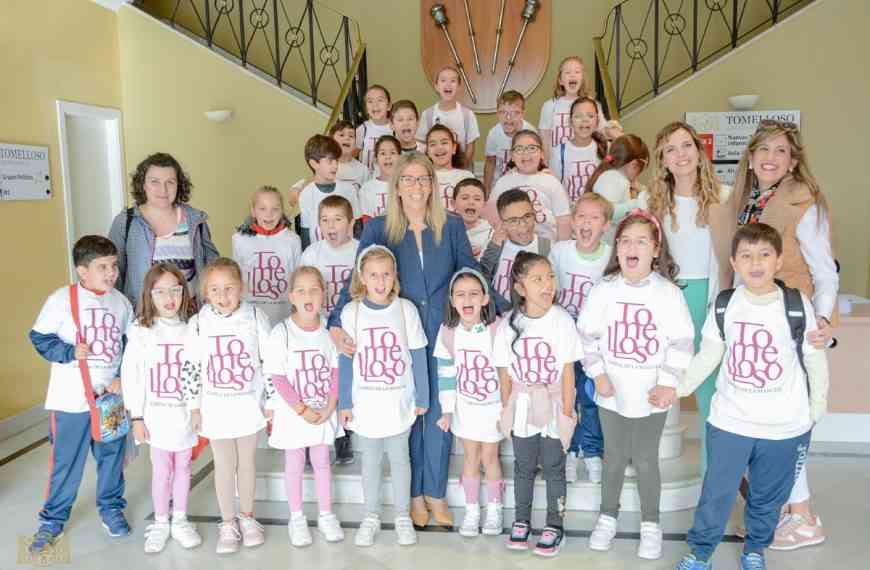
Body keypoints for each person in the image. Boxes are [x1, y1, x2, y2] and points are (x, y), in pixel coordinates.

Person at [328, 152, 480, 529]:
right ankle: (413, 495)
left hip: (443, 332)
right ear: (396, 187)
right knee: (410, 417)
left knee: (441, 415)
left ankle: (436, 493)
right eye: (408, 179)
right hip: (401, 339)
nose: (416, 186)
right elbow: (359, 279)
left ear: (433, 184)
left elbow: (469, 273)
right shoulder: (380, 229)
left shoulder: (453, 226)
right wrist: (334, 321)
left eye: (423, 178)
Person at [674, 223, 829, 570]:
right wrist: (678, 388)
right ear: (734, 262)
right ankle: (700, 553)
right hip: (730, 420)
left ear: (778, 261)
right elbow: (709, 355)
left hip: (784, 424)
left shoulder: (796, 304)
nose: (755, 262)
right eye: (746, 255)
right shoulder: (725, 304)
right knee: (716, 493)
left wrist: (816, 406)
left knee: (767, 497)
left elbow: (815, 357)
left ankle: (755, 548)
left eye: (764, 254)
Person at [733, 119, 837, 550]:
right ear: (751, 155)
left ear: (793, 160)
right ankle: (777, 509)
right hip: (753, 324)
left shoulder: (802, 202)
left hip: (789, 324)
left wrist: (825, 321)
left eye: (780, 151)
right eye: (763, 150)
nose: (770, 158)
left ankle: (804, 515)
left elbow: (824, 270)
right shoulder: (749, 199)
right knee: (761, 423)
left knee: (785, 425)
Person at [579, 211, 694, 561]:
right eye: (625, 240)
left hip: (650, 393)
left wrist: (667, 383)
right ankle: (607, 517)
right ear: (617, 249)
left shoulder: (668, 294)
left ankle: (650, 524)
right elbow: (587, 336)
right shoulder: (604, 290)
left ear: (656, 250)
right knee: (613, 458)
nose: (632, 247)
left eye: (641, 241)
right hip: (612, 390)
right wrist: (598, 374)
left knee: (645, 459)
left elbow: (682, 342)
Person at [640, 122, 738, 470]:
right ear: (662, 159)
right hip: (666, 300)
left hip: (708, 299)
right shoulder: (650, 200)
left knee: (709, 389)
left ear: (699, 151)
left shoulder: (724, 197)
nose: (680, 154)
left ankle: (716, 478)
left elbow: (731, 256)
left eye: (686, 146)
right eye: (671, 149)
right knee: (651, 381)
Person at [28, 235, 134, 553]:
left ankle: (111, 508)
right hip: (70, 400)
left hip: (109, 400)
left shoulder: (121, 302)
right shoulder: (63, 299)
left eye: (113, 266)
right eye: (102, 267)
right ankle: (52, 519)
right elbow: (39, 336)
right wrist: (70, 351)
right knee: (66, 462)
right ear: (82, 271)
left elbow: (130, 344)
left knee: (112, 458)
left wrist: (120, 376)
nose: (111, 273)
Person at [337, 245, 429, 547]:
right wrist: (345, 402)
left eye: (386, 274)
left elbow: (417, 355)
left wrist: (422, 396)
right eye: (373, 275)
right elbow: (346, 360)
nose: (380, 281)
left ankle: (402, 516)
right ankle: (371, 516)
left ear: (395, 277)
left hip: (399, 400)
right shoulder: (351, 312)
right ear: (362, 277)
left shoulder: (406, 310)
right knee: (371, 461)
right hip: (366, 403)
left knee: (401, 459)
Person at [180, 258, 271, 554]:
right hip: (215, 408)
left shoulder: (255, 316)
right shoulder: (197, 324)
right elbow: (191, 368)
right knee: (223, 464)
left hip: (247, 405)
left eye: (229, 288)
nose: (223, 296)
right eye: (215, 289)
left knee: (246, 463)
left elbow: (271, 362)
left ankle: (247, 517)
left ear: (241, 288)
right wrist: (194, 406)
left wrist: (271, 401)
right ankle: (228, 522)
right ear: (206, 291)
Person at [496, 252, 580, 557]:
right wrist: (507, 408)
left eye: (550, 277)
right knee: (524, 466)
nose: (547, 284)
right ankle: (521, 521)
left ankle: (555, 525)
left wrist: (567, 413)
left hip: (554, 403)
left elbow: (568, 372)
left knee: (555, 466)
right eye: (537, 279)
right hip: (522, 406)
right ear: (520, 287)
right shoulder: (509, 325)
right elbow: (504, 374)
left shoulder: (562, 321)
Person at [121, 263, 201, 553]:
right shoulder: (142, 332)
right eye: (160, 292)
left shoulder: (192, 329)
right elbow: (133, 377)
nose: (169, 298)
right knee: (161, 469)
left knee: (184, 466)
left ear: (184, 292)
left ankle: (180, 519)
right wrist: (137, 416)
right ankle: (161, 521)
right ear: (149, 296)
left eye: (175, 290)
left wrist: (197, 409)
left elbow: (198, 370)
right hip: (155, 413)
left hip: (184, 412)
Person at [263, 266, 344, 547]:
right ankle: (296, 518)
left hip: (323, 411)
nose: (308, 295)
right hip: (294, 412)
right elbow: (277, 376)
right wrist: (300, 409)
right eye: (301, 290)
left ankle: (326, 514)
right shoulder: (282, 332)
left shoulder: (329, 331)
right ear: (291, 296)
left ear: (323, 294)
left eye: (314, 289)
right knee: (294, 463)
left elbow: (336, 370)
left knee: (322, 461)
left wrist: (331, 404)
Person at [548, 193, 614, 483]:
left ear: (606, 225)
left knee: (591, 397)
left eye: (595, 217)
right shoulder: (560, 252)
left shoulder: (611, 256)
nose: (587, 223)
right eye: (581, 217)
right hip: (564, 335)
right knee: (567, 395)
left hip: (596, 340)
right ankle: (571, 450)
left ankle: (593, 451)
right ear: (573, 222)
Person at [434, 269, 504, 537]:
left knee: (490, 456)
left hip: (493, 409)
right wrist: (447, 411)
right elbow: (446, 375)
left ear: (485, 299)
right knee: (470, 456)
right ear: (452, 300)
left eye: (474, 294)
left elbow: (505, 372)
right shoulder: (449, 333)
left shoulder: (496, 329)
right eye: (460, 294)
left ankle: (495, 509)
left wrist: (506, 408)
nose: (467, 300)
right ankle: (472, 508)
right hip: (466, 409)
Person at [108, 152, 219, 309]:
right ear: (143, 184)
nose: (163, 189)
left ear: (179, 185)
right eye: (155, 182)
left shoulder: (195, 220)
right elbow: (113, 275)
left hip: (189, 318)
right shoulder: (126, 221)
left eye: (170, 182)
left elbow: (213, 269)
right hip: (143, 319)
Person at [300, 195, 359, 465]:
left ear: (351, 223)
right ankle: (316, 439)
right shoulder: (312, 253)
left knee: (345, 381)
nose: (331, 225)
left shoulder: (360, 250)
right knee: (322, 381)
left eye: (337, 219)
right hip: (320, 326)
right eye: (325, 220)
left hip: (350, 327)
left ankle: (343, 436)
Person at [232, 185, 302, 327]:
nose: (269, 214)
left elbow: (297, 279)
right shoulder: (239, 239)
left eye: (275, 209)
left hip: (283, 316)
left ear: (282, 211)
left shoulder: (293, 240)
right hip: (251, 318)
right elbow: (236, 278)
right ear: (253, 211)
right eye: (262, 209)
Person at [486, 130, 572, 243]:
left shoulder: (552, 182)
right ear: (512, 156)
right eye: (519, 149)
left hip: (546, 247)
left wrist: (562, 250)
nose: (526, 154)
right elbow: (493, 220)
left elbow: (563, 220)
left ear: (542, 153)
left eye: (532, 148)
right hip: (512, 247)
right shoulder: (503, 183)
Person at [538, 56, 618, 161]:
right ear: (560, 80)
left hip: (586, 161)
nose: (572, 75)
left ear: (582, 79)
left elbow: (602, 129)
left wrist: (615, 132)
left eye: (577, 72)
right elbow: (544, 140)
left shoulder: (592, 104)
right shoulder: (549, 106)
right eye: (567, 72)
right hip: (558, 164)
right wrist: (547, 167)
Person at [481, 189, 551, 302]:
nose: (523, 225)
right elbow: (482, 279)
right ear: (503, 223)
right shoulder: (495, 244)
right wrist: (494, 248)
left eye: (527, 216)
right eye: (513, 220)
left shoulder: (546, 247)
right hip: (498, 313)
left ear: (534, 214)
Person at [296, 134, 361, 250]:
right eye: (330, 161)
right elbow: (306, 234)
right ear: (314, 164)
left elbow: (358, 228)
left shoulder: (348, 190)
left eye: (336, 160)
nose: (335, 166)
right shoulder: (306, 194)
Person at [417, 65, 481, 167]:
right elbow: (421, 145)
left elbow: (470, 148)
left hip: (460, 169)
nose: (448, 84)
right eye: (443, 80)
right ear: (436, 86)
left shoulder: (468, 115)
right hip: (435, 169)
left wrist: (461, 169)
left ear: (459, 86)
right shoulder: (428, 114)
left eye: (453, 81)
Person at [548, 97, 607, 202]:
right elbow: (555, 189)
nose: (585, 120)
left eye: (590, 116)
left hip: (599, 211)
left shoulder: (605, 148)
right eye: (578, 116)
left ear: (597, 121)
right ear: (570, 122)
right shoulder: (559, 152)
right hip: (572, 212)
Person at [587, 134, 649, 219]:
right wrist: (638, 203)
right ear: (633, 165)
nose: (639, 174)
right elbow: (607, 212)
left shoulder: (612, 176)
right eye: (641, 169)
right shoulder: (614, 179)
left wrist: (641, 190)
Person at [484, 90, 535, 192]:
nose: (508, 118)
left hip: (523, 185)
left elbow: (535, 164)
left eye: (515, 113)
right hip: (499, 185)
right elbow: (490, 163)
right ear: (497, 113)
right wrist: (486, 189)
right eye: (503, 112)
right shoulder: (494, 134)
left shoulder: (530, 133)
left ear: (522, 114)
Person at [426, 124, 475, 212]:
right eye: (433, 144)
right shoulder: (423, 177)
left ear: (454, 148)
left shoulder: (466, 177)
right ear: (428, 151)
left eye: (444, 143)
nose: (439, 148)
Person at [359, 135, 400, 219]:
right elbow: (366, 220)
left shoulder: (407, 185)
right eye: (383, 153)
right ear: (376, 159)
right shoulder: (367, 188)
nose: (388, 157)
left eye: (392, 153)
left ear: (400, 157)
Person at [355, 85, 394, 174]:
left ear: (389, 106)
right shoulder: (362, 129)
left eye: (380, 100)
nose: (375, 105)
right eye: (370, 101)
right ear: (366, 109)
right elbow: (352, 156)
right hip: (367, 182)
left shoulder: (395, 129)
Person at [453, 178, 493, 260]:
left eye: (477, 199)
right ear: (453, 203)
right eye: (464, 198)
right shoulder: (445, 232)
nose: (471, 202)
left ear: (484, 205)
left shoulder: (491, 235)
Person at [331, 119, 369, 190]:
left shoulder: (363, 170)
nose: (347, 138)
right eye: (341, 135)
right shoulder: (324, 166)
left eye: (351, 136)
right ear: (331, 140)